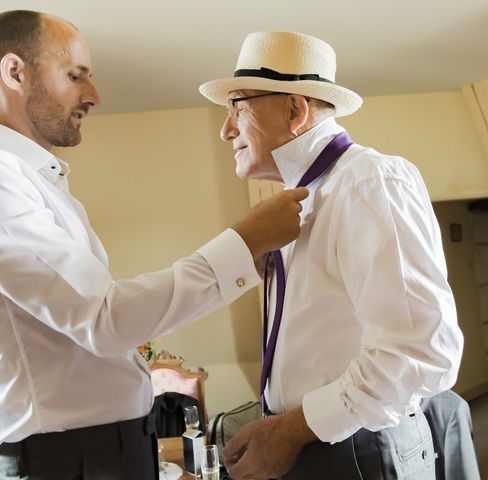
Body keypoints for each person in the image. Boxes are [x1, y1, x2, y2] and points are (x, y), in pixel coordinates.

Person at [0, 10, 307, 480]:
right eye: (75, 75)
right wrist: (244, 242)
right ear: (13, 72)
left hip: (100, 452)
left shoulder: (39, 183)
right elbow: (103, 320)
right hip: (66, 461)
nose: (95, 95)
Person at [198, 30, 464, 480]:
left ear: (295, 110)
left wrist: (290, 431)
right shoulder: (300, 202)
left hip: (356, 453)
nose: (225, 130)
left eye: (237, 107)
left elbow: (421, 349)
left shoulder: (367, 182)